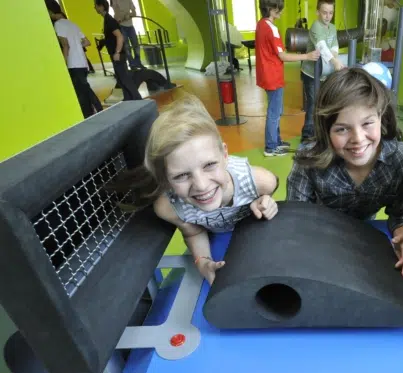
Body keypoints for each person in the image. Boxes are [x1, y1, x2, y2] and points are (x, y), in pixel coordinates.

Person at [109, 95, 279, 284]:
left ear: (224, 155)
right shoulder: (169, 208)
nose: (201, 186)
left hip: (251, 237)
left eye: (209, 165)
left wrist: (265, 203)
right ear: (165, 178)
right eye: (181, 176)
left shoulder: (259, 181)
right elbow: (194, 232)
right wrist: (203, 263)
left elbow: (269, 195)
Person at [286, 68, 403, 277]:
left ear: (381, 118)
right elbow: (297, 217)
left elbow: (402, 211)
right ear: (326, 130)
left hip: (369, 241)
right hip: (321, 237)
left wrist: (402, 230)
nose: (358, 138)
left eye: (367, 123)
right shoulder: (308, 161)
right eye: (342, 129)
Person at [255, 0, 320, 157]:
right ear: (271, 9)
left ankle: (276, 141)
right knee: (274, 112)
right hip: (273, 76)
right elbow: (282, 55)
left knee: (276, 110)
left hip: (266, 74)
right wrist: (307, 56)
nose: (281, 12)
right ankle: (271, 147)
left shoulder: (260, 24)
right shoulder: (272, 29)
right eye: (279, 9)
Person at [298, 0, 345, 151]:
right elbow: (322, 47)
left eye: (330, 13)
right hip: (311, 73)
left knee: (325, 103)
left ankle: (321, 133)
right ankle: (307, 135)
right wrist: (334, 61)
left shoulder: (332, 28)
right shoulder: (315, 26)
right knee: (313, 104)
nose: (327, 16)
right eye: (324, 12)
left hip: (325, 73)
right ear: (318, 12)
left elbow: (335, 46)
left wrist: (335, 56)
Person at [46, 1, 102, 118]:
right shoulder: (72, 24)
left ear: (51, 12)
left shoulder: (58, 25)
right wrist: (76, 42)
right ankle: (90, 112)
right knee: (84, 89)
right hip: (82, 62)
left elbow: (66, 45)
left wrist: (64, 63)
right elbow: (87, 42)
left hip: (73, 64)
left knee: (83, 90)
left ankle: (96, 110)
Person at [94, 0, 142, 101]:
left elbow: (120, 37)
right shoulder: (107, 20)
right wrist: (103, 43)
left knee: (125, 78)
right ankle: (128, 98)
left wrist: (117, 52)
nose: (95, 8)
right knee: (120, 79)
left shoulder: (110, 20)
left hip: (118, 55)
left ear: (101, 7)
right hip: (115, 54)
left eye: (96, 6)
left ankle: (137, 99)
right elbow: (111, 37)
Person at [111, 0, 144, 70]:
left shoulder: (129, 0)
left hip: (130, 26)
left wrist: (129, 15)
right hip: (121, 26)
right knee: (126, 46)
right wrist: (124, 17)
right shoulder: (115, 1)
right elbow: (117, 16)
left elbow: (134, 13)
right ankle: (132, 64)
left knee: (136, 44)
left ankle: (138, 62)